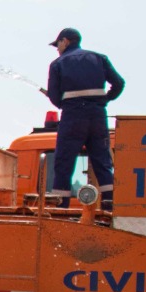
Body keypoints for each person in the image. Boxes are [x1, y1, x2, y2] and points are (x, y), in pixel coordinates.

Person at [42, 27, 125, 209]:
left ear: (65, 41)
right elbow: (119, 83)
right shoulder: (99, 58)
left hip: (73, 117)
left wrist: (67, 104)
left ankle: (61, 208)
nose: (58, 49)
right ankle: (109, 207)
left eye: (58, 45)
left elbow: (55, 98)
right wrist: (105, 99)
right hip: (97, 116)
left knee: (64, 162)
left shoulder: (57, 64)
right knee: (102, 162)